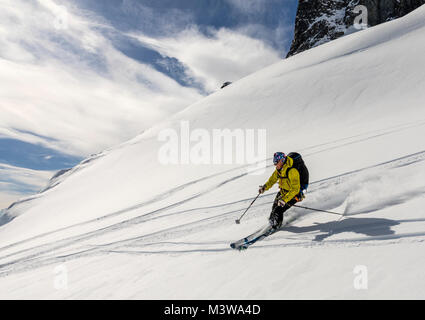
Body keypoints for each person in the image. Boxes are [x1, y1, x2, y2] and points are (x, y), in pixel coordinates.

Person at [258, 152, 307, 229]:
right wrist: (264, 187)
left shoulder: (292, 171)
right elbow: (272, 180)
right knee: (274, 208)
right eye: (274, 163)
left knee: (278, 210)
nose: (275, 165)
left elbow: (295, 189)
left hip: (294, 195)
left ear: (281, 160)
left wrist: (284, 200)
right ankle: (271, 222)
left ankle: (276, 226)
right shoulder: (279, 170)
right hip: (283, 192)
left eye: (276, 162)